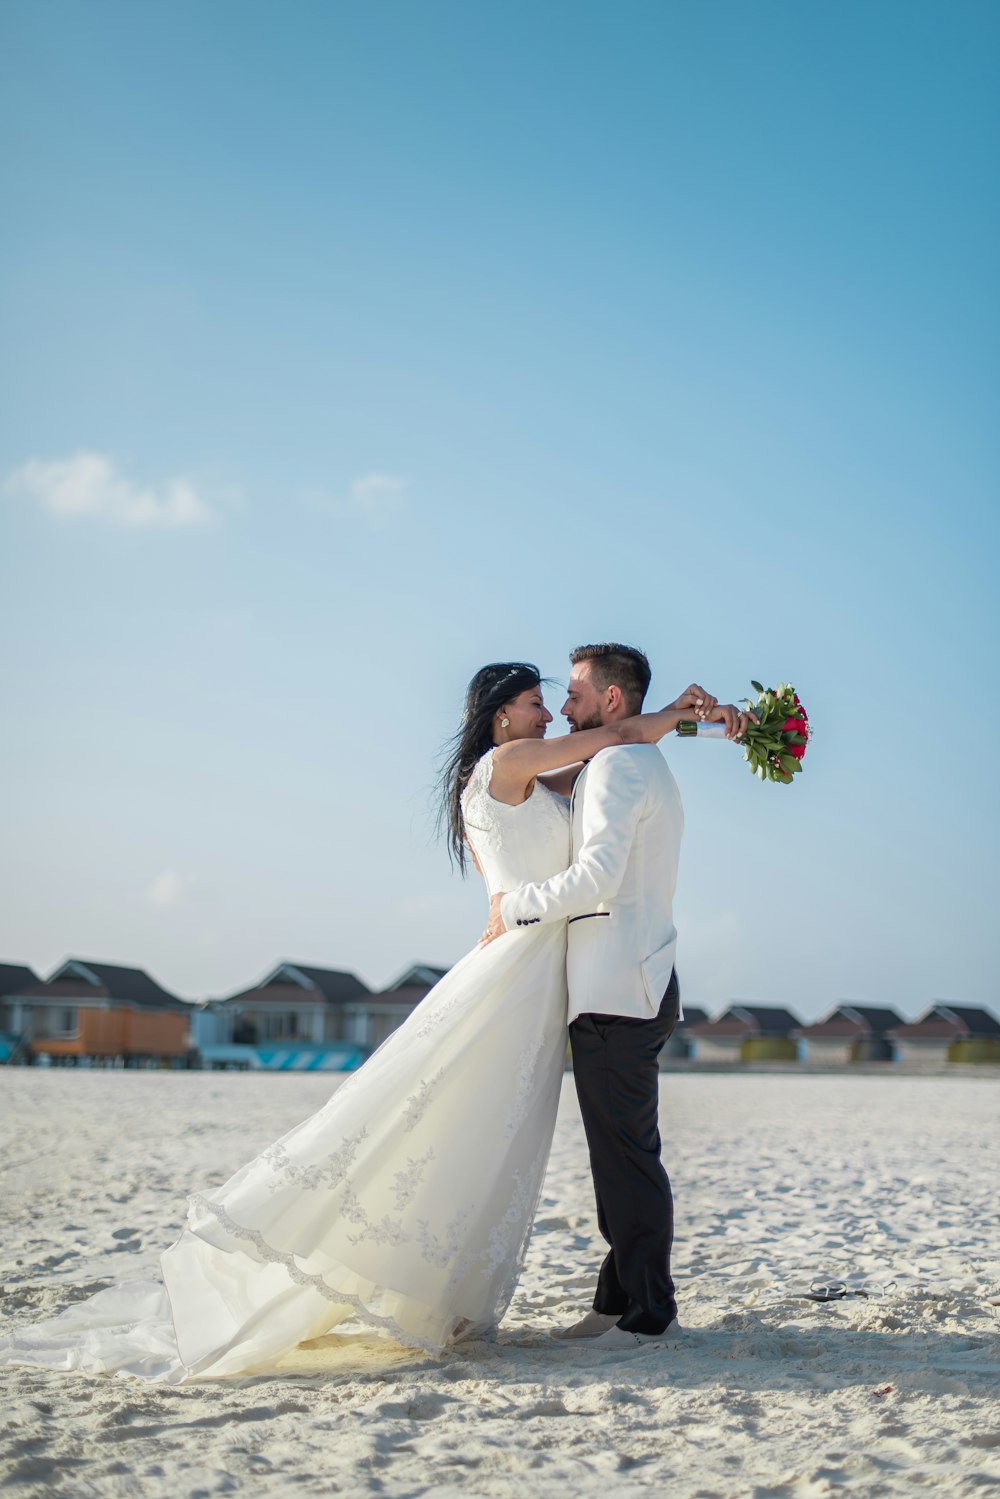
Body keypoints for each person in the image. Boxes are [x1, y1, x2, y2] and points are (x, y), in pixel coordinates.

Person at [1, 660, 745, 1382]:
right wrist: (687, 717)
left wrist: (689, 720)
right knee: (464, 1123)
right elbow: (611, 741)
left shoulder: (532, 765)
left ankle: (497, 1290)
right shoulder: (515, 759)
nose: (548, 711)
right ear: (500, 716)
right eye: (533, 702)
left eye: (560, 698)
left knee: (486, 1130)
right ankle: (498, 1290)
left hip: (545, 975)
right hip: (521, 966)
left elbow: (614, 742)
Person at [483, 644, 743, 1347]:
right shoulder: (620, 758)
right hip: (627, 977)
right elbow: (649, 731)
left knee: (627, 1159)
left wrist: (515, 908)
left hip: (618, 985)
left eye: (573, 693)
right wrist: (710, 721)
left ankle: (649, 1312)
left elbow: (596, 877)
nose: (564, 707)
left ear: (612, 701)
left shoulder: (620, 767)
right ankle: (615, 1299)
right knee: (618, 1155)